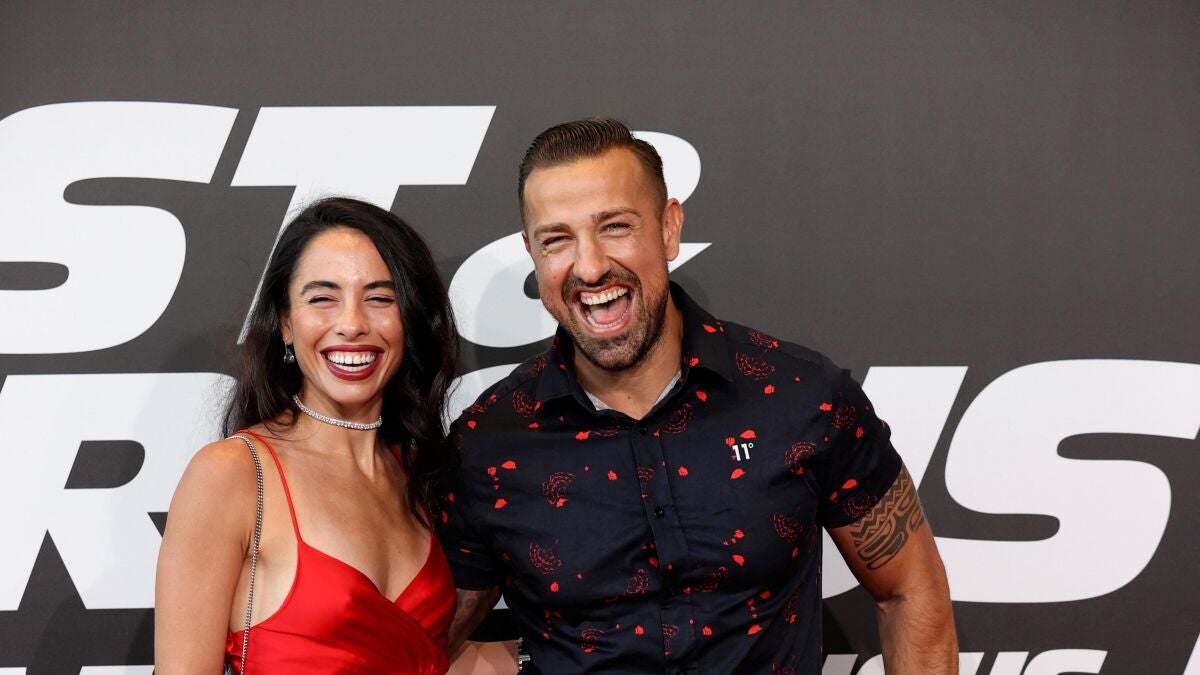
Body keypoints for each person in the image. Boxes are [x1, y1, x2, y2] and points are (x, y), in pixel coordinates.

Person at [438, 119, 957, 673]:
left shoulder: (801, 397)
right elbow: (426, 643)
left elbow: (910, 590)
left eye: (615, 226)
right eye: (556, 239)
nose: (589, 266)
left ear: (668, 228)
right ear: (532, 252)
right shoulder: (487, 446)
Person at [155, 197, 459, 674]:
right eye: (322, 298)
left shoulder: (419, 473)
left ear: (411, 319)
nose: (352, 324)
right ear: (285, 322)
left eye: (380, 298)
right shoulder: (232, 474)